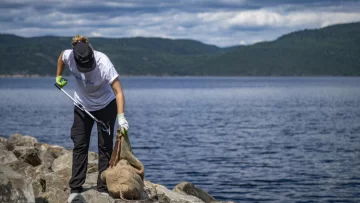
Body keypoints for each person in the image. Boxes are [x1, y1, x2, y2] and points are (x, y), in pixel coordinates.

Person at [55, 34, 129, 203]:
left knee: (104, 146)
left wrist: (121, 117)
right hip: (82, 105)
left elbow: (118, 92)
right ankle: (75, 189)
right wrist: (58, 76)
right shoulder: (69, 55)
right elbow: (61, 57)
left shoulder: (104, 63)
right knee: (80, 144)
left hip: (106, 106)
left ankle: (102, 189)